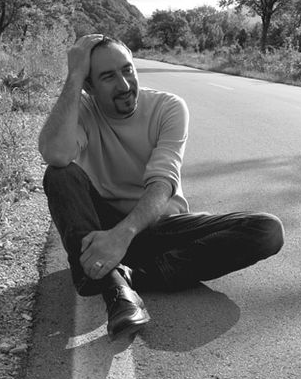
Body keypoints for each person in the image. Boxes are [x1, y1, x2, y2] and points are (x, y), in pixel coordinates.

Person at [38, 33, 284, 341]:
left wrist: (122, 237)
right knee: (60, 175)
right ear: (89, 86)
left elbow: (163, 181)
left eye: (127, 70)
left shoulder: (168, 107)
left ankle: (121, 275)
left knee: (266, 229)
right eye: (108, 77)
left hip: (157, 227)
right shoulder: (84, 110)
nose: (124, 85)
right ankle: (111, 283)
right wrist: (74, 76)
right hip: (104, 227)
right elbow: (56, 154)